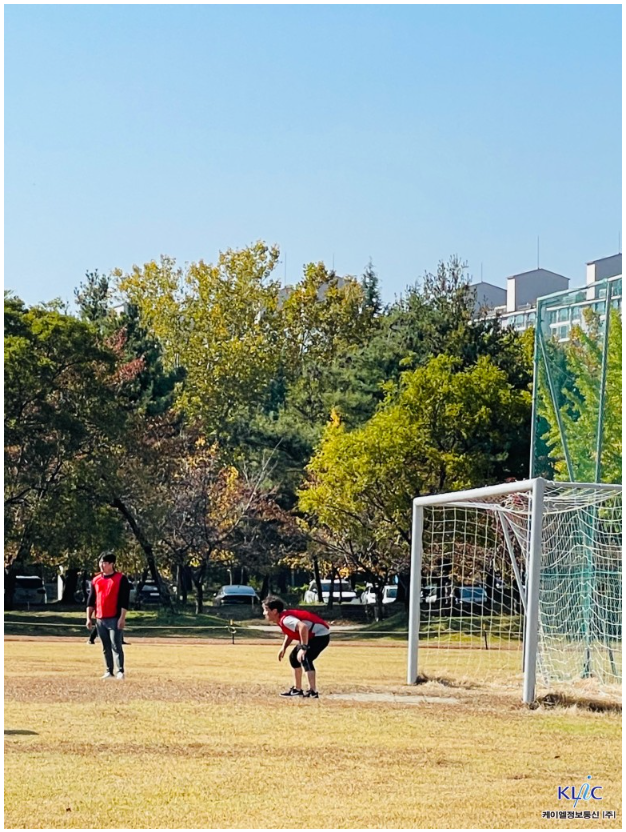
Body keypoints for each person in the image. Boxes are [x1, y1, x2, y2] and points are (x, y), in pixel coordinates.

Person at [262, 595, 330, 699]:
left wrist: (303, 648)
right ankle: (297, 690)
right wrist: (283, 647)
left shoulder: (285, 619)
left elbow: (303, 627)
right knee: (294, 658)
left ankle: (312, 691)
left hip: (320, 635)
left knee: (304, 657)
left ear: (274, 611)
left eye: (266, 610)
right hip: (312, 636)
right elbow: (291, 632)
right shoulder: (282, 619)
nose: (264, 613)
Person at [86, 552, 131, 680]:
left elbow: (124, 600)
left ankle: (120, 670)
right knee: (105, 646)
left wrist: (122, 618)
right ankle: (108, 671)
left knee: (116, 644)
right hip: (100, 618)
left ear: (112, 564)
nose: (101, 565)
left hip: (115, 617)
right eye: (100, 562)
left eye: (104, 563)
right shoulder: (96, 580)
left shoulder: (120, 579)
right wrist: (89, 617)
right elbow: (91, 600)